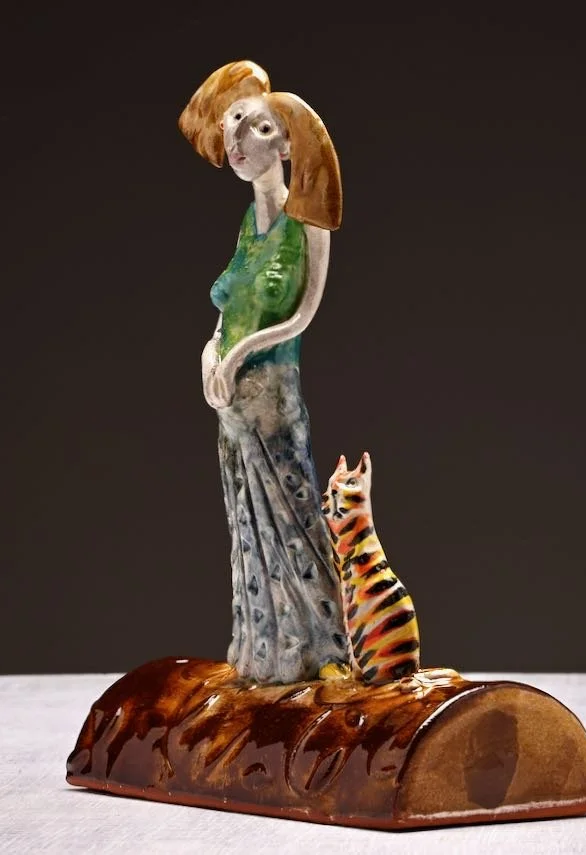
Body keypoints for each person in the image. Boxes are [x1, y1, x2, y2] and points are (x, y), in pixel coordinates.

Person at [179, 61, 350, 684]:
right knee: (246, 524)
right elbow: (226, 309)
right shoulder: (248, 226)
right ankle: (264, 654)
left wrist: (235, 357)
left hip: (271, 394)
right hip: (231, 399)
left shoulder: (307, 225)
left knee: (292, 519)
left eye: (257, 127)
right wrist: (211, 354)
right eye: (234, 124)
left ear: (285, 146)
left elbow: (303, 315)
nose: (237, 138)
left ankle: (327, 651)